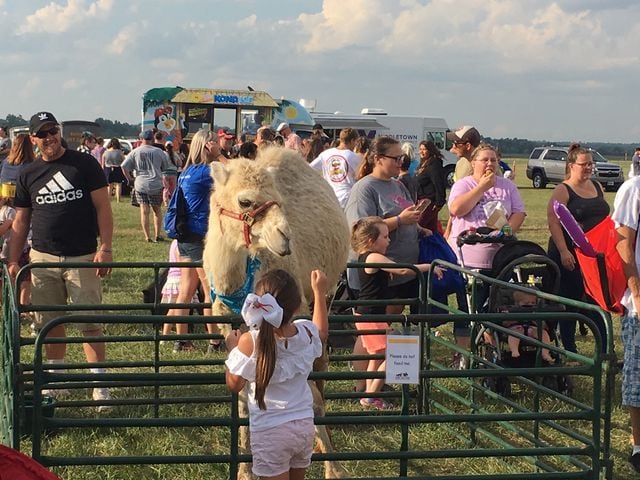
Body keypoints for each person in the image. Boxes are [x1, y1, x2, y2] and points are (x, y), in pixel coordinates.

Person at [8, 111, 113, 411]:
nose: (49, 137)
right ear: (33, 139)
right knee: (50, 323)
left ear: (59, 132)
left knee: (90, 322)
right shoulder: (28, 174)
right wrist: (13, 259)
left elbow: (104, 207)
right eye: (43, 133)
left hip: (82, 255)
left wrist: (105, 247)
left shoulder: (85, 164)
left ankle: (99, 385)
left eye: (53, 131)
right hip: (42, 257)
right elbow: (21, 221)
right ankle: (56, 382)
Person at [224, 269, 328, 480]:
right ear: (297, 306)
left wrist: (232, 349)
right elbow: (321, 332)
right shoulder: (306, 332)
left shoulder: (249, 341)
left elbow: (234, 384)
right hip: (303, 426)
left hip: (270, 430)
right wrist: (319, 293)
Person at [350, 217, 443, 409]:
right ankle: (369, 397)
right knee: (392, 354)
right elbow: (401, 270)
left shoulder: (369, 257)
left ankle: (370, 394)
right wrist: (428, 267)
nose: (389, 240)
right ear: (370, 241)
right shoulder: (372, 257)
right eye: (385, 236)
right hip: (371, 316)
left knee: (377, 357)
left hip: (372, 314)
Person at [447, 143, 526, 366]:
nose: (490, 164)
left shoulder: (507, 186)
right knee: (468, 308)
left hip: (501, 257)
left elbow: (519, 212)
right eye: (484, 160)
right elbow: (456, 210)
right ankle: (463, 354)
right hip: (469, 258)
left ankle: (494, 350)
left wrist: (507, 230)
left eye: (493, 159)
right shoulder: (464, 184)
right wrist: (481, 187)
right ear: (473, 163)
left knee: (498, 306)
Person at [165, 129, 226, 353]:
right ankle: (215, 342)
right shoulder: (206, 172)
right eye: (214, 142)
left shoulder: (187, 171)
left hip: (185, 236)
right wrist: (219, 155)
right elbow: (234, 171)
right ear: (206, 146)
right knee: (209, 290)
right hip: (201, 237)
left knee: (186, 290)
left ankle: (181, 341)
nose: (218, 145)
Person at [546, 143, 609, 353]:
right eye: (584, 164)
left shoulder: (597, 186)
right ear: (572, 165)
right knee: (571, 300)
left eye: (591, 163)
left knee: (597, 300)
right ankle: (569, 349)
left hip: (593, 255)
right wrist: (564, 251)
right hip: (569, 255)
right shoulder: (563, 190)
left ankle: (605, 350)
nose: (589, 167)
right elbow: (553, 221)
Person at [612, 175, 640, 473]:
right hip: (638, 304)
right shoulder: (634, 189)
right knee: (638, 377)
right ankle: (638, 445)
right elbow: (623, 245)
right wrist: (637, 293)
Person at [121, 129, 171, 243]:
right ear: (152, 139)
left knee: (144, 211)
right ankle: (158, 235)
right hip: (156, 184)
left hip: (140, 184)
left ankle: (147, 236)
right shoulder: (159, 152)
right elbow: (165, 167)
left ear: (141, 139)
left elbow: (124, 166)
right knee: (157, 210)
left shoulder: (135, 152)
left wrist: (130, 178)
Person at [309, 127, 361, 208]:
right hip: (347, 198)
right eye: (356, 142)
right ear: (352, 141)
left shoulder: (325, 154)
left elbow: (310, 169)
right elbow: (361, 176)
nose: (355, 145)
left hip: (330, 198)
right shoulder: (353, 157)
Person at [160, 239, 198, 340]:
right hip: (180, 278)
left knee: (174, 309)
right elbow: (182, 263)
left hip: (173, 277)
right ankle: (168, 335)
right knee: (175, 309)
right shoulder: (181, 244)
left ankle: (167, 334)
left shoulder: (175, 243)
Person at [504, 290, 553, 363]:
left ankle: (545, 353)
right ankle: (514, 351)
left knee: (544, 333)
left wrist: (538, 322)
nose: (530, 305)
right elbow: (505, 323)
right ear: (517, 303)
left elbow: (544, 325)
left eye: (533, 303)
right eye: (526, 303)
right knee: (514, 334)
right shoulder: (512, 310)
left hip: (532, 329)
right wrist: (512, 319)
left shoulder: (536, 311)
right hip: (517, 328)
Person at [415, 140, 446, 231]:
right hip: (421, 200)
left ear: (430, 150)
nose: (421, 151)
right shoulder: (423, 164)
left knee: (418, 227)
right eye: (420, 149)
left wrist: (439, 202)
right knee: (431, 230)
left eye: (424, 149)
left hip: (428, 202)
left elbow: (438, 183)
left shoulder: (434, 165)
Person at [101, 138, 126, 203]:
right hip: (117, 169)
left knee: (109, 185)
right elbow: (124, 161)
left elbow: (103, 164)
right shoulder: (119, 152)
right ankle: (118, 200)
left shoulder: (105, 152)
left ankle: (108, 199)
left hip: (108, 169)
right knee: (118, 185)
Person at [162, 141, 180, 206]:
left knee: (166, 188)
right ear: (172, 147)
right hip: (173, 173)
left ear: (165, 147)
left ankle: (166, 202)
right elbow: (180, 163)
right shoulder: (175, 154)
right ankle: (173, 201)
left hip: (165, 173)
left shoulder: (163, 154)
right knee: (173, 188)